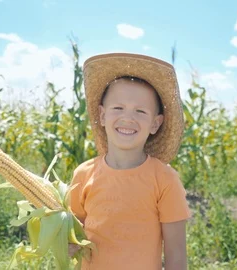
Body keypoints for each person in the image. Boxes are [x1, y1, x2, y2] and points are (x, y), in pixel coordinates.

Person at [68, 52, 191, 270]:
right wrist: (68, 243)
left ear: (155, 123)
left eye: (140, 111)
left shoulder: (165, 180)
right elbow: (73, 235)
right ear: (102, 115)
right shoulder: (83, 175)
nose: (128, 118)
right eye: (118, 108)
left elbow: (177, 256)